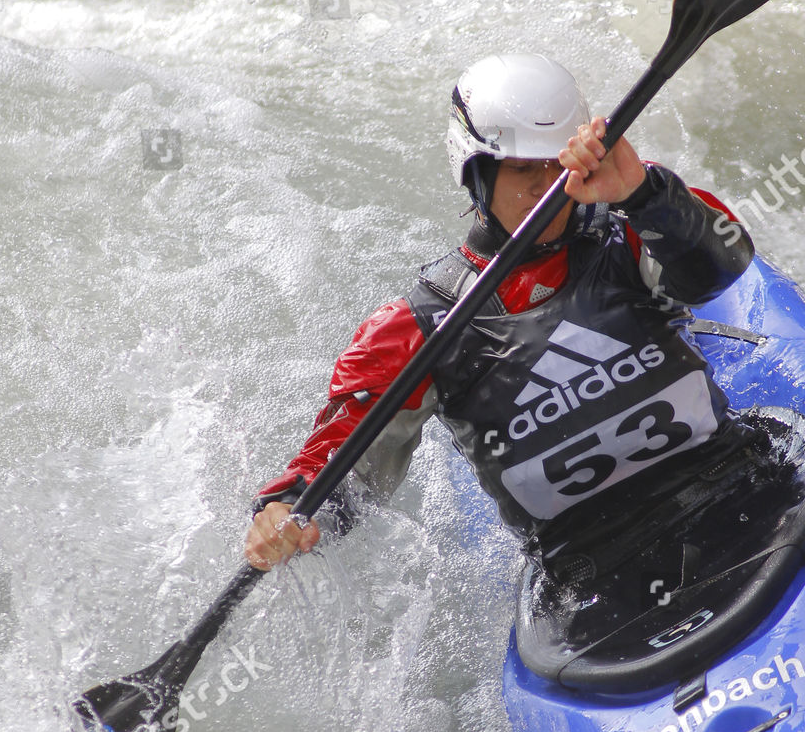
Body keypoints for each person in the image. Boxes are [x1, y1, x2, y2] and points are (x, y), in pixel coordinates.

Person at [244, 53, 756, 598]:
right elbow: (347, 469)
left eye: (555, 165)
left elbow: (722, 266)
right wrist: (289, 511)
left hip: (729, 481)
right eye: (521, 169)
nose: (544, 187)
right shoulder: (417, 330)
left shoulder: (630, 233)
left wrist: (644, 193)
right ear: (477, 173)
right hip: (589, 564)